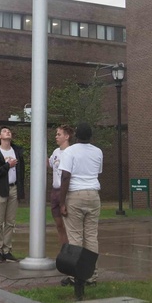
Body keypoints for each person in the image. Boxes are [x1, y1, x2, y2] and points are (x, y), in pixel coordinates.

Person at [58, 122, 103, 285]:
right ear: (90, 136)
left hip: (75, 195)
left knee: (75, 236)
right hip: (93, 194)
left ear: (76, 135)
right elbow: (97, 172)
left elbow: (65, 177)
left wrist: (62, 202)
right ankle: (91, 275)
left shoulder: (70, 151)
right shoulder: (98, 152)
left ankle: (76, 276)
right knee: (91, 236)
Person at [0, 126, 25, 263]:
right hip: (0, 190)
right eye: (4, 131)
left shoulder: (17, 151)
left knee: (10, 222)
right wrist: (7, 166)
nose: (7, 132)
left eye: (9, 131)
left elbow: (22, 172)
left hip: (14, 188)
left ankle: (7, 249)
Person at [48, 124, 74, 246]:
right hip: (55, 191)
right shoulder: (55, 152)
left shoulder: (72, 152)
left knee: (67, 224)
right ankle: (64, 248)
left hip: (66, 192)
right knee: (59, 224)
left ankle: (71, 248)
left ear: (67, 136)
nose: (56, 137)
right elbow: (50, 164)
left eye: (59, 134)